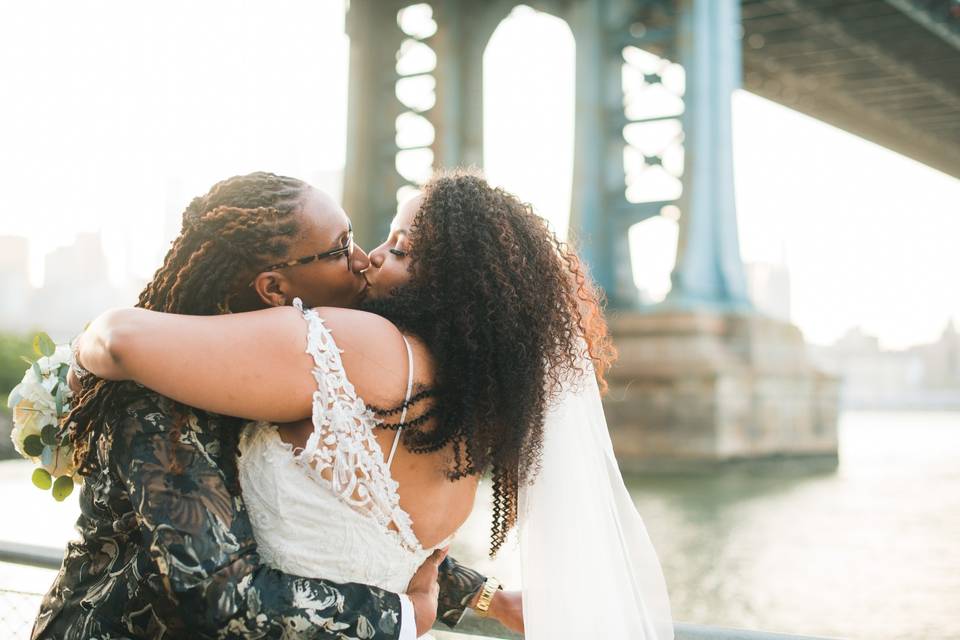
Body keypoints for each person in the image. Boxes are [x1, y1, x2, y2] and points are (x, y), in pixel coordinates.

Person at [74, 170, 673, 638]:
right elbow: (370, 536)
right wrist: (483, 600)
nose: (368, 258)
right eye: (348, 245)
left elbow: (234, 590)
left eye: (396, 247)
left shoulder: (350, 349)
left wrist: (409, 617)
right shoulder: (460, 407)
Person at [33, 172, 496, 640]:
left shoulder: (283, 376)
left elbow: (332, 521)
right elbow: (216, 592)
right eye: (341, 247)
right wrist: (402, 617)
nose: (363, 260)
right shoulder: (158, 392)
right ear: (274, 289)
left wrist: (488, 597)